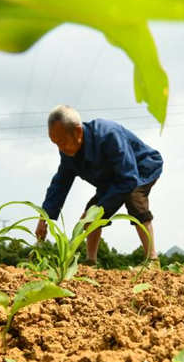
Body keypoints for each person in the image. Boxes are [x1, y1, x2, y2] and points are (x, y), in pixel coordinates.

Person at [36, 105, 163, 266]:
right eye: (55, 143)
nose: (60, 148)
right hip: (114, 178)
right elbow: (60, 183)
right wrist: (44, 216)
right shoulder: (68, 153)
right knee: (91, 212)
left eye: (61, 141)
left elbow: (128, 179)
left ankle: (152, 259)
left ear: (77, 132)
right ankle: (91, 261)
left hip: (140, 168)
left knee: (134, 198)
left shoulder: (108, 134)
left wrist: (100, 207)